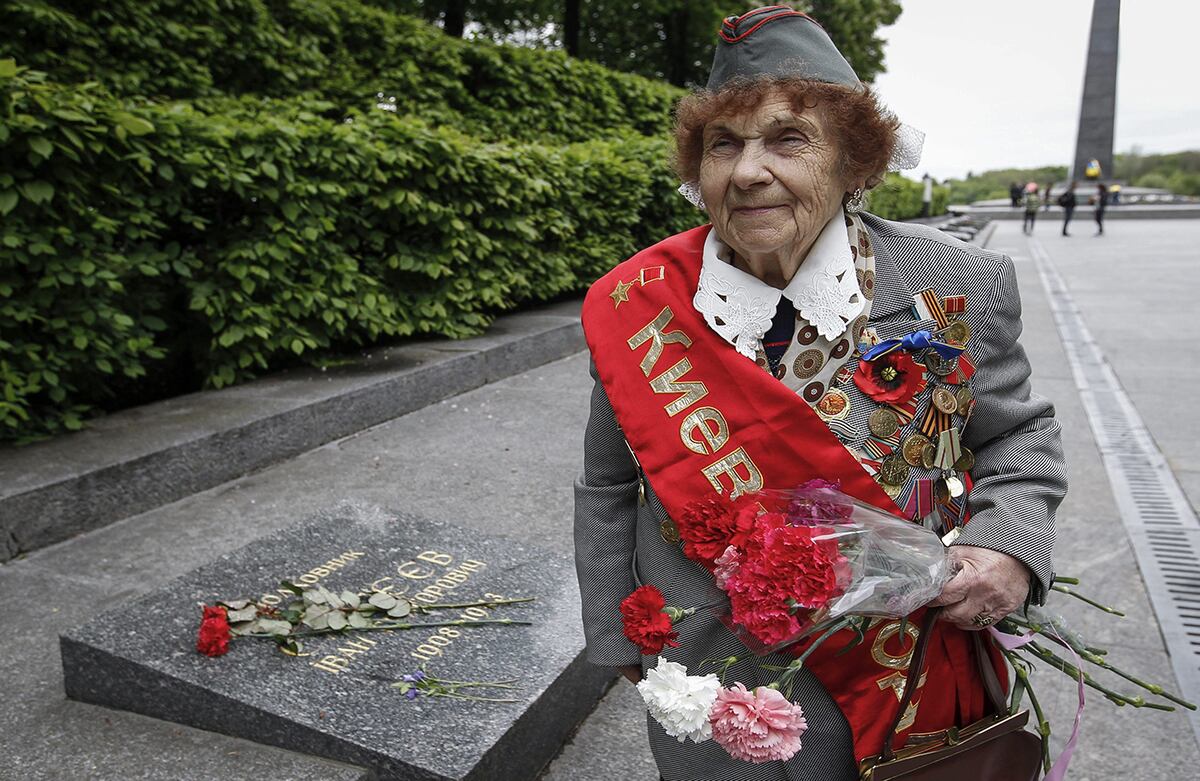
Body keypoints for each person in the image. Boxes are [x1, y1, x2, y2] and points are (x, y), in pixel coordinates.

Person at [574, 8, 1066, 780]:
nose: (746, 171)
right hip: (708, 683)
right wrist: (614, 637)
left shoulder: (957, 284)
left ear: (854, 162)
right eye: (722, 144)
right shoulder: (636, 303)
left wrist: (1007, 547)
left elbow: (1018, 438)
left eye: (787, 139)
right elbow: (606, 483)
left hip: (900, 680)